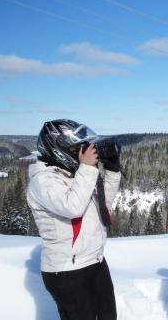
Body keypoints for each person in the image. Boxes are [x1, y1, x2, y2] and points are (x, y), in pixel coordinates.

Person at [27, 119, 121, 320]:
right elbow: (73, 208)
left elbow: (103, 208)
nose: (84, 151)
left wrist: (113, 170)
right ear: (58, 149)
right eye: (77, 147)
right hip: (67, 271)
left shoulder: (75, 175)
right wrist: (87, 168)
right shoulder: (43, 181)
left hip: (95, 262)